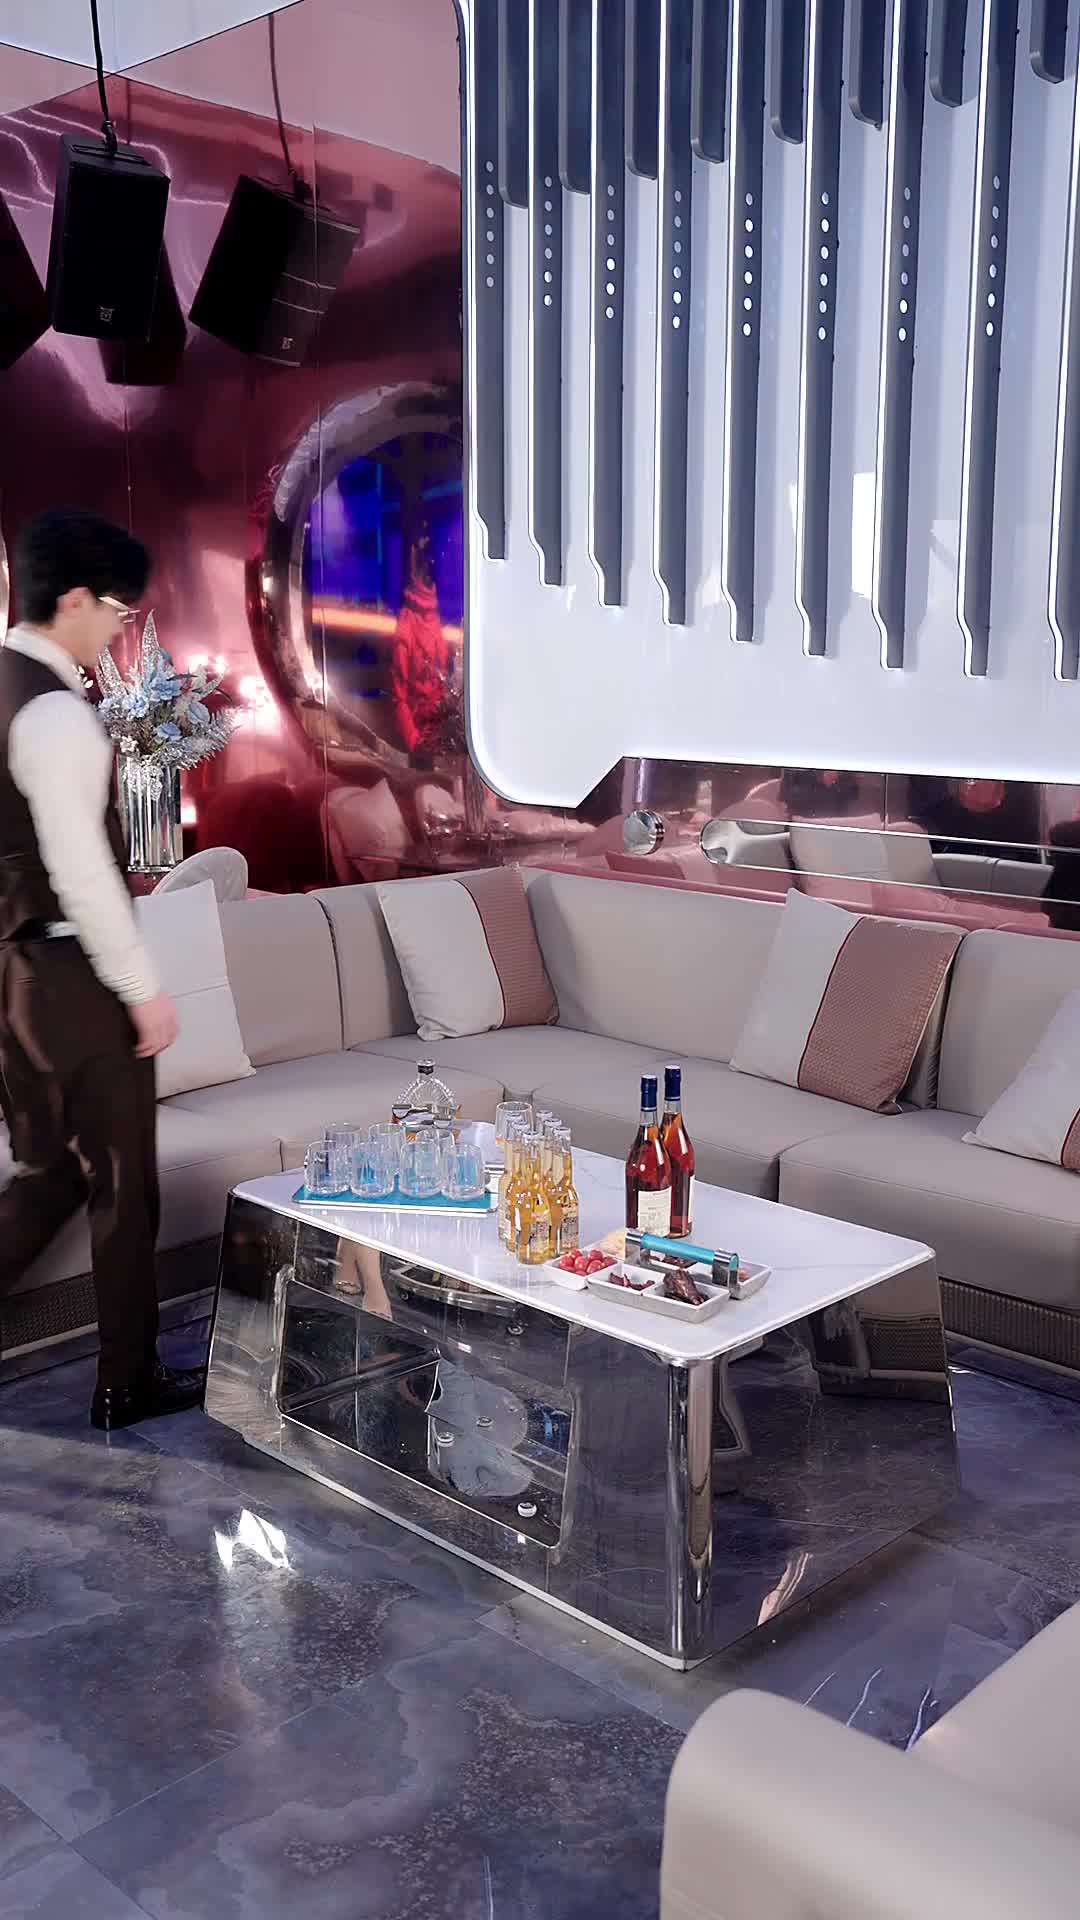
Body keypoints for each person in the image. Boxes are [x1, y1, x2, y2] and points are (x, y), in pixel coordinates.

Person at [0, 509, 205, 1429]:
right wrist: (142, 989)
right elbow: (83, 872)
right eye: (120, 611)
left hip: (14, 980)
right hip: (71, 977)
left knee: (48, 1175)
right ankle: (128, 1381)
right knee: (124, 1185)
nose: (122, 632)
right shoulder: (54, 712)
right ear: (75, 599)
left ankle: (127, 1374)